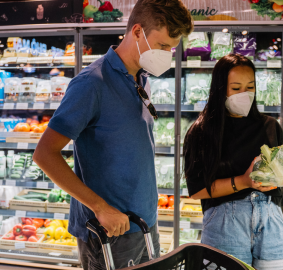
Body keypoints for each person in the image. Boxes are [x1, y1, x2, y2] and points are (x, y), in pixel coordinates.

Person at [33, 0, 193, 269]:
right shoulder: (91, 84)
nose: (167, 54)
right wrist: (100, 207)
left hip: (144, 225)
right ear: (138, 32)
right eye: (163, 45)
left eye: (172, 48)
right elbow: (44, 154)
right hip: (109, 233)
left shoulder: (141, 78)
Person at [183, 54, 283, 270]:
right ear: (221, 90)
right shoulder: (201, 132)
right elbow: (197, 190)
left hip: (271, 221)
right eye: (236, 88)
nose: (244, 94)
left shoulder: (270, 126)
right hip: (225, 224)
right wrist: (243, 181)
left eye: (250, 87)